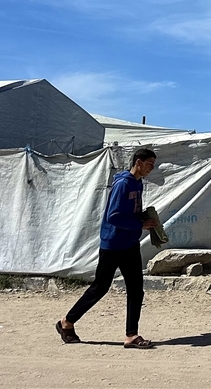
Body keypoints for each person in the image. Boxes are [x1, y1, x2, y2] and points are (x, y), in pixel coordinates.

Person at [56, 147, 159, 349]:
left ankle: (131, 335)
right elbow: (114, 216)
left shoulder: (138, 183)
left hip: (130, 243)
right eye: (149, 164)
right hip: (113, 244)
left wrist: (145, 217)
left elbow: (129, 212)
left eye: (153, 165)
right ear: (138, 162)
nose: (151, 169)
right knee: (100, 288)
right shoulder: (123, 184)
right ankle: (66, 322)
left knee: (136, 290)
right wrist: (140, 224)